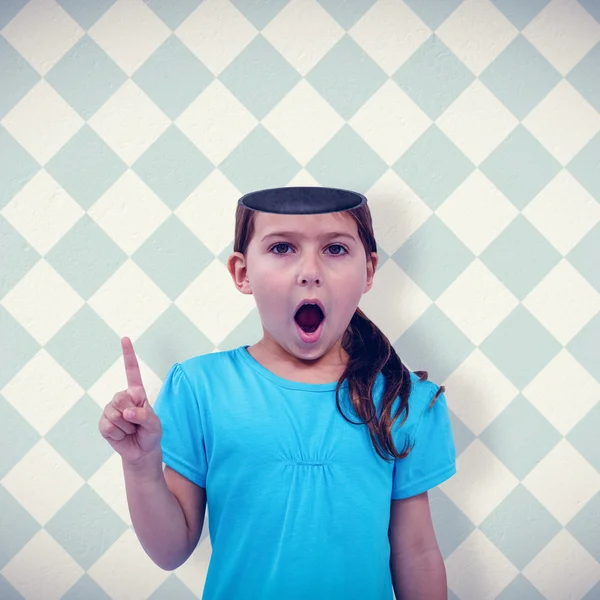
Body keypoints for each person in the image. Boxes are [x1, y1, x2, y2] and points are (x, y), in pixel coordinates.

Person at [98, 187, 457, 599]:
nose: (310, 271)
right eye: (283, 247)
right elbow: (169, 550)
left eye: (336, 249)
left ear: (369, 270)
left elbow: (417, 553)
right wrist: (141, 467)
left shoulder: (401, 399)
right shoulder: (200, 389)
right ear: (242, 272)